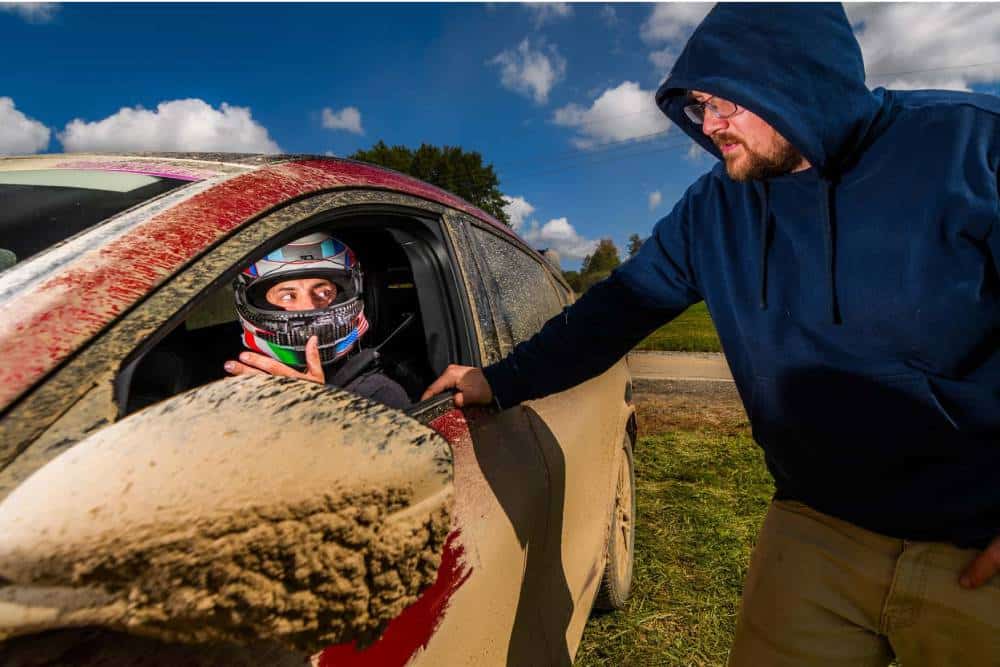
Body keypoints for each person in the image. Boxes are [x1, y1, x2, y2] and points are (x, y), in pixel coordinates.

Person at [424, 3, 1000, 664]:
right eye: (700, 104)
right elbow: (610, 312)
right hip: (816, 522)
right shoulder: (715, 211)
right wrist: (497, 379)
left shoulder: (971, 150)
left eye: (727, 101)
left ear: (795, 78)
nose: (709, 124)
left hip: (975, 535)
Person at [224, 232, 411, 410]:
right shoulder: (238, 386)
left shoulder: (378, 395)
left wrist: (315, 408)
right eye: (288, 296)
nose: (310, 306)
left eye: (323, 292)